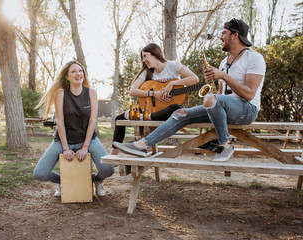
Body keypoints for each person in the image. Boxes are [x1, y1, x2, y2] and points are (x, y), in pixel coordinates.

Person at [113, 18, 266, 162]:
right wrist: (216, 91)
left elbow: (249, 94)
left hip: (247, 109)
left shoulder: (254, 58)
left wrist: (223, 77)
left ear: (235, 35)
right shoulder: (224, 63)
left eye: (223, 33)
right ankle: (142, 145)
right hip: (226, 108)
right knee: (180, 113)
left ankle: (225, 145)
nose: (220, 37)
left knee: (210, 99)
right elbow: (221, 96)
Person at [33, 60, 114, 197]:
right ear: (67, 76)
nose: (78, 74)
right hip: (64, 140)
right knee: (40, 173)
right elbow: (60, 121)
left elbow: (92, 121)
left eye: (80, 70)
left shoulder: (91, 93)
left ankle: (96, 180)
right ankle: (63, 181)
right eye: (74, 71)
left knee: (108, 169)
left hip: (87, 139)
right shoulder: (61, 94)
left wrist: (85, 147)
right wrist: (65, 148)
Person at [111, 43, 199, 155]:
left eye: (145, 56)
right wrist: (153, 93)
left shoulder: (172, 66)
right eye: (142, 57)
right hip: (150, 109)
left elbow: (195, 78)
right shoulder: (147, 71)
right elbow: (132, 91)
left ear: (155, 54)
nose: (143, 60)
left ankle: (146, 119)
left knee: (176, 108)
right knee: (119, 118)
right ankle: (113, 156)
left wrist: (172, 84)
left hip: (167, 112)